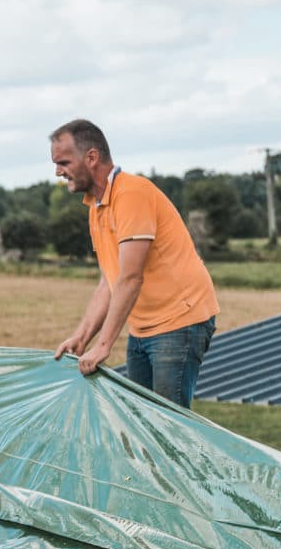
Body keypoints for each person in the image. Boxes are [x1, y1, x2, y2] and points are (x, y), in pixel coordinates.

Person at [50, 119, 219, 408]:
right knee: (141, 420)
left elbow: (130, 278)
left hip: (179, 322)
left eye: (63, 162)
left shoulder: (132, 194)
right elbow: (110, 280)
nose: (58, 172)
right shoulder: (97, 206)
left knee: (168, 427)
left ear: (91, 158)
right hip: (142, 329)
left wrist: (104, 346)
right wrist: (82, 338)